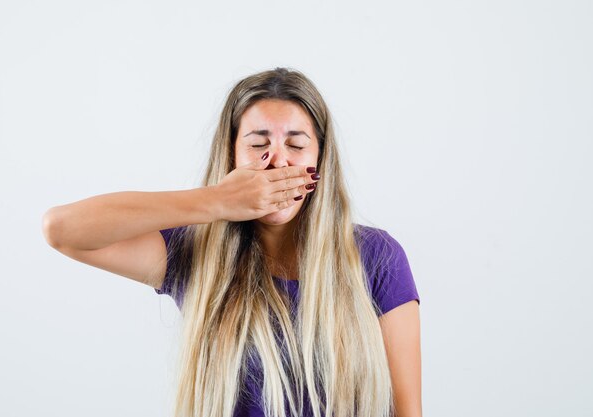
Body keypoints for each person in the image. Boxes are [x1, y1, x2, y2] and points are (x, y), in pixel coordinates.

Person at [42, 67, 422, 417]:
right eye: (258, 144)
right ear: (232, 155)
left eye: (296, 144)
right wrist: (216, 201)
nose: (277, 161)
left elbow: (407, 409)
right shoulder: (195, 254)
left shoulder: (376, 257)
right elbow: (61, 229)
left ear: (320, 158)